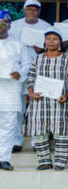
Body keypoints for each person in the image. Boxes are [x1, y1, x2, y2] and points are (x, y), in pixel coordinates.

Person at [26, 29, 68, 170]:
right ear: (44, 42)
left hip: (60, 100)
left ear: (60, 42)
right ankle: (44, 161)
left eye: (54, 39)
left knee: (62, 131)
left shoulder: (66, 59)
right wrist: (32, 93)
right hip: (40, 101)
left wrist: (66, 95)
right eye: (48, 38)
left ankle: (60, 162)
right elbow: (30, 79)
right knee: (39, 131)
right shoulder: (38, 59)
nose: (51, 41)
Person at [10, 0, 51, 151]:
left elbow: (52, 46)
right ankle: (16, 141)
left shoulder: (46, 26)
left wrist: (42, 50)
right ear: (24, 10)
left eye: (35, 10)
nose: (32, 12)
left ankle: (37, 142)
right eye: (29, 9)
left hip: (38, 71)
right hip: (18, 72)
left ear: (39, 12)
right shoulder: (14, 26)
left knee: (37, 108)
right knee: (18, 107)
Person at [0, 11, 31, 170]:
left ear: (9, 25)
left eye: (3, 22)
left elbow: (27, 64)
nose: (0, 25)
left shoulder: (19, 44)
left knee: (9, 124)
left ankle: (3, 158)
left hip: (11, 90)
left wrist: (20, 73)